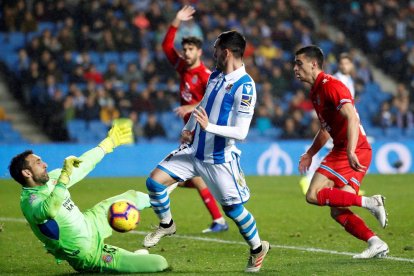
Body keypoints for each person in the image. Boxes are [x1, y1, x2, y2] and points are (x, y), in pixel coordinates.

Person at [143, 30, 270, 273]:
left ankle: (257, 249)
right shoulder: (215, 75)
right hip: (193, 151)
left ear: (226, 52)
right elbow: (202, 105)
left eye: (215, 50)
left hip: (219, 159)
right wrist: (190, 128)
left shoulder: (246, 86)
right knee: (155, 182)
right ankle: (167, 224)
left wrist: (208, 127)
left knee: (233, 211)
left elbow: (241, 132)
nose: (212, 54)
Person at [8, 119, 169, 273]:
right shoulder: (29, 202)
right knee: (159, 263)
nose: (45, 165)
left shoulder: (53, 178)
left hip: (91, 222)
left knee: (132, 196)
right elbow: (48, 210)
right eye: (38, 163)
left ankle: (162, 194)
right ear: (27, 173)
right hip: (87, 253)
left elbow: (84, 164)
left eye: (42, 161)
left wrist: (107, 144)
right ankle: (132, 258)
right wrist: (63, 180)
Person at [293, 45, 389, 259]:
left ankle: (371, 203)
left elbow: (352, 117)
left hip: (354, 149)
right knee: (338, 208)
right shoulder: (316, 91)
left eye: (299, 63)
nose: (295, 68)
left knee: (313, 194)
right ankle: (376, 243)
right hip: (342, 149)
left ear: (314, 64)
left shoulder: (331, 86)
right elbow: (326, 129)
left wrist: (350, 150)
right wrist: (310, 153)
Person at [162, 5, 228, 233]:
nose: (186, 53)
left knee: (182, 176)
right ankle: (219, 218)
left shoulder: (205, 76)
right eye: (185, 49)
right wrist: (176, 21)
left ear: (199, 51)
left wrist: (190, 107)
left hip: (203, 132)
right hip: (189, 133)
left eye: (190, 49)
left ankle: (219, 219)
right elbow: (166, 46)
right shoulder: (182, 68)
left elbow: (213, 103)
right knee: (186, 178)